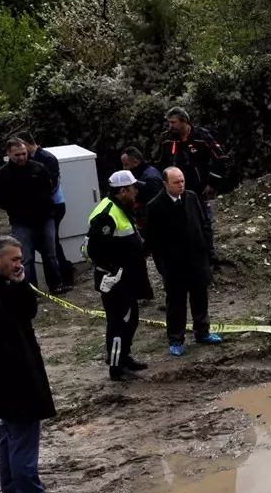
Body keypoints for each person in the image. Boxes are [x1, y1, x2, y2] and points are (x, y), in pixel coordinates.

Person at [0, 234, 72, 493]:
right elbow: (0, 341)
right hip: (13, 376)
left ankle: (12, 490)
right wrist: (19, 377)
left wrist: (22, 285)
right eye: (14, 260)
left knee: (10, 430)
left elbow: (28, 313)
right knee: (22, 431)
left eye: (20, 260)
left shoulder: (5, 284)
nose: (19, 265)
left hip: (12, 374)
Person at [146, 167, 223, 356]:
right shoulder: (155, 206)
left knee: (200, 298)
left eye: (182, 181)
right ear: (165, 184)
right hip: (174, 264)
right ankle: (176, 339)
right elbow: (154, 241)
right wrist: (162, 265)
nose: (181, 185)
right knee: (176, 303)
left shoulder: (191, 197)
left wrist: (208, 250)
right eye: (176, 182)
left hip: (197, 259)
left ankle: (202, 332)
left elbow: (204, 223)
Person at [86, 170, 154, 382]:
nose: (136, 192)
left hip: (128, 277)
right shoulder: (106, 214)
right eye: (133, 188)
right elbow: (93, 250)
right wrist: (114, 268)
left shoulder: (121, 208)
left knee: (130, 319)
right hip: (115, 280)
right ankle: (116, 367)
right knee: (119, 323)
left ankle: (124, 357)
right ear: (122, 191)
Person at [154, 107, 226, 264]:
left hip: (199, 188)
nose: (170, 126)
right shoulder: (167, 139)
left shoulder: (201, 137)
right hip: (174, 190)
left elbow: (219, 157)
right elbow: (159, 162)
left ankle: (209, 252)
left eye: (173, 122)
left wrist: (212, 182)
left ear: (184, 121)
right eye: (169, 122)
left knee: (204, 220)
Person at [0, 139, 62, 293]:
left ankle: (56, 285)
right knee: (25, 258)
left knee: (50, 255)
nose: (21, 157)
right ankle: (30, 290)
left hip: (44, 218)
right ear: (8, 154)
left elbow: (49, 188)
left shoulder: (38, 168)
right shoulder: (1, 175)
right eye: (17, 155)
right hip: (21, 221)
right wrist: (15, 207)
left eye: (24, 154)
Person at [18, 132, 74, 290]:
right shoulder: (34, 159)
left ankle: (64, 275)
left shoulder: (46, 158)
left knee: (52, 244)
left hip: (54, 205)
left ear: (27, 144)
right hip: (42, 208)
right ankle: (62, 274)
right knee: (48, 244)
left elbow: (52, 183)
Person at [120, 146, 164, 230]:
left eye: (126, 164)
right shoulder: (142, 175)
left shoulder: (150, 178)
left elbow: (157, 206)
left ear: (136, 162)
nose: (124, 168)